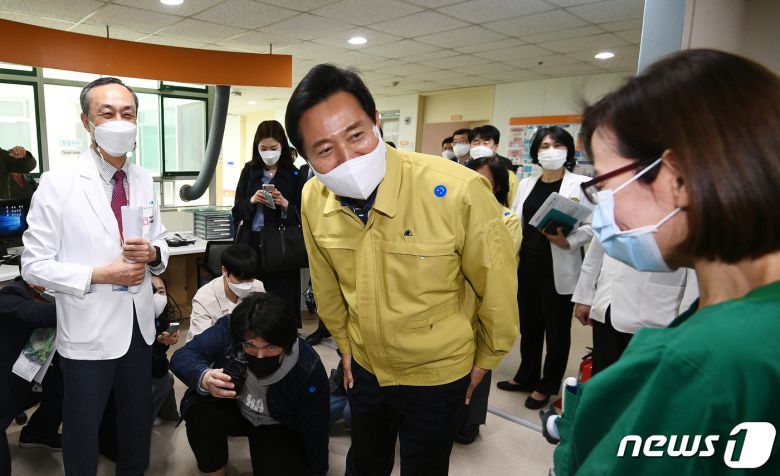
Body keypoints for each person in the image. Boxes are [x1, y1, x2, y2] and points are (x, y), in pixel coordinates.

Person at [547, 49, 780, 475]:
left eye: (605, 185)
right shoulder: (751, 317)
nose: (603, 209)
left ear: (678, 178)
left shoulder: (702, 363)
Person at [287, 64, 518, 475]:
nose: (348, 158)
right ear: (306, 158)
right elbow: (326, 284)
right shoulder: (313, 198)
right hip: (366, 367)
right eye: (324, 150)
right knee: (365, 462)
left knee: (425, 467)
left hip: (438, 372)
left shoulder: (458, 190)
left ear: (376, 122)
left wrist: (486, 357)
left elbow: (496, 285)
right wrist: (345, 347)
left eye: (355, 135)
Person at [21, 76, 169, 475]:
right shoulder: (58, 183)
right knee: (83, 430)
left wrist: (154, 253)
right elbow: (33, 265)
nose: (119, 121)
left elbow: (158, 240)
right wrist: (100, 275)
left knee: (137, 427)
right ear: (87, 121)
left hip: (139, 330)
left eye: (128, 113)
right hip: (88, 332)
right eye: (107, 113)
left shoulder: (143, 179)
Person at [171, 292, 330, 476]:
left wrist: (318, 470)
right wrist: (204, 377)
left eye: (270, 347)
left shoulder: (308, 367)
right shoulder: (229, 330)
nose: (260, 355)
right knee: (199, 411)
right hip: (233, 408)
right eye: (250, 346)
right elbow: (182, 356)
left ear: (286, 342)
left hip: (276, 422)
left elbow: (316, 428)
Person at [498, 126, 593, 409]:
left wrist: (569, 241)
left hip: (558, 264)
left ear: (568, 151)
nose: (551, 151)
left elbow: (593, 226)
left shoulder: (582, 184)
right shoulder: (527, 183)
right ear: (536, 152)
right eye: (545, 146)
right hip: (527, 263)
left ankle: (547, 384)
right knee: (529, 326)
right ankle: (526, 376)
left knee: (556, 330)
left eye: (557, 145)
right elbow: (515, 221)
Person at [455, 156, 522, 444]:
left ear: (498, 187)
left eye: (486, 182)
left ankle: (471, 420)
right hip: (455, 299)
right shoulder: (455, 210)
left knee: (481, 358)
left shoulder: (508, 219)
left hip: (486, 298)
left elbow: (499, 261)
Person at [571, 237, 698, 374]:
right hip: (606, 305)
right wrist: (585, 297)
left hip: (655, 318)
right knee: (603, 376)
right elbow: (596, 249)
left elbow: (697, 276)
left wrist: (686, 324)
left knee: (642, 380)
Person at [232, 120, 306, 327]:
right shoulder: (249, 171)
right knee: (253, 298)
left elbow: (304, 214)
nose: (268, 153)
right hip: (252, 243)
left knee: (282, 296)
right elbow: (236, 210)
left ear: (282, 146)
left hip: (281, 245)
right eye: (263, 148)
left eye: (273, 148)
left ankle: (284, 335)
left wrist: (285, 204)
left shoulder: (294, 174)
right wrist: (252, 201)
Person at [98, 275, 180, 461]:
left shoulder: (163, 318)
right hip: (121, 371)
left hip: (152, 369)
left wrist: (161, 341)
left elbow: (158, 354)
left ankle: (145, 421)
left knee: (165, 380)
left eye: (161, 292)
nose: (157, 296)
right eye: (152, 291)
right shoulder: (125, 313)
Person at [0, 274, 63, 476]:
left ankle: (38, 434)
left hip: (30, 378)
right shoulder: (8, 296)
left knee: (63, 384)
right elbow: (40, 315)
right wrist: (78, 306)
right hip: (7, 383)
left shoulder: (51, 298)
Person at [186, 244, 265, 342]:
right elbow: (202, 341)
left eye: (249, 280)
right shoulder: (204, 297)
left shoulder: (257, 287)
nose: (245, 285)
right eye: (239, 280)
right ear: (224, 271)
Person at [469, 125, 519, 203]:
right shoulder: (465, 168)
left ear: (495, 147)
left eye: (486, 143)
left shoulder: (508, 174)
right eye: (476, 143)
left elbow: (512, 202)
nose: (480, 146)